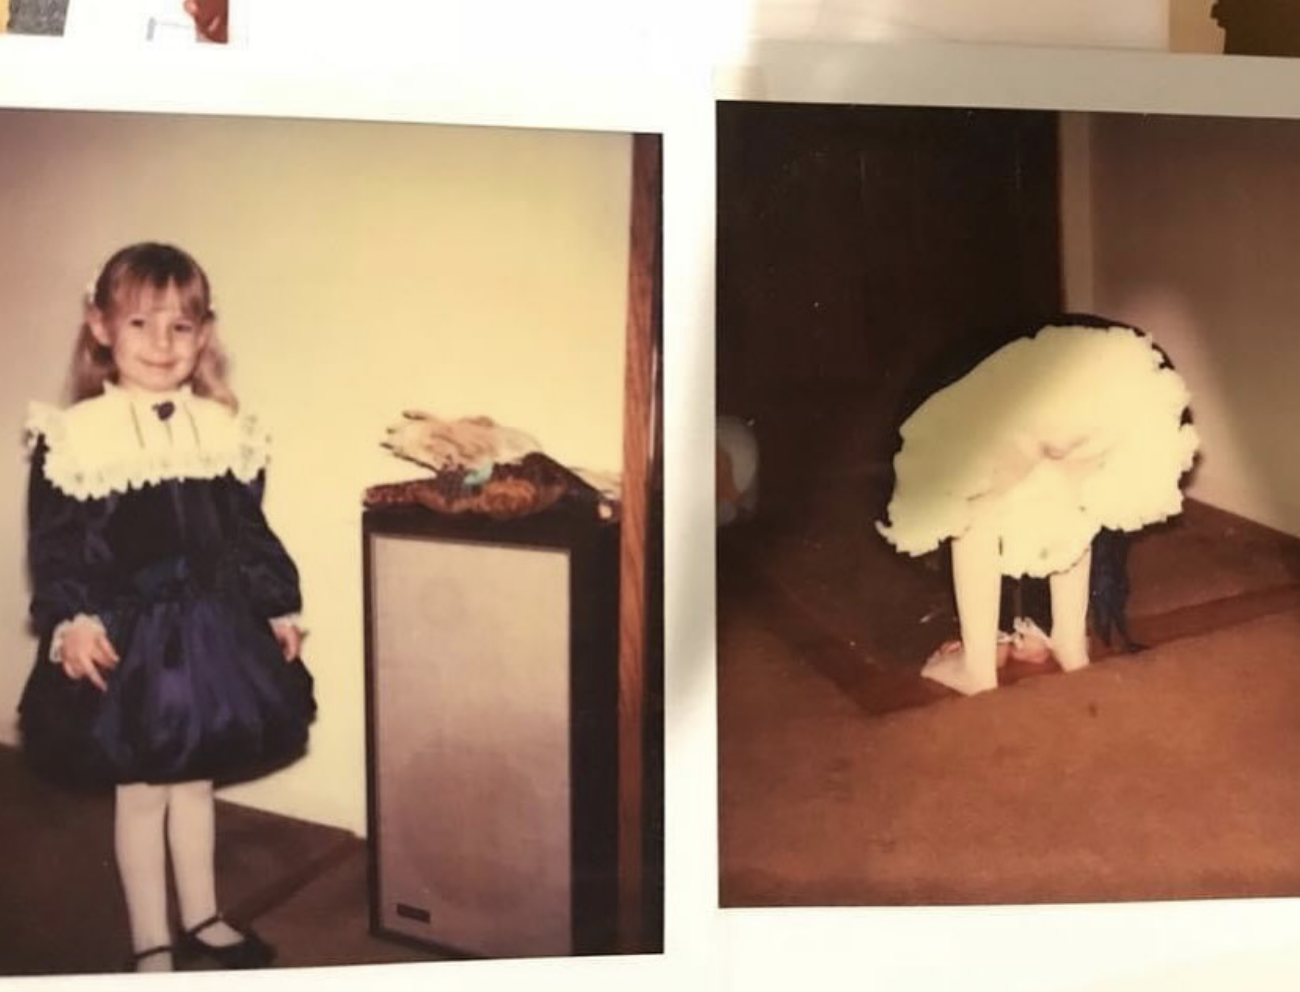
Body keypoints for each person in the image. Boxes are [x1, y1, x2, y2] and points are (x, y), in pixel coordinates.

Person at [19, 243, 315, 971]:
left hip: (212, 633)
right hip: (132, 641)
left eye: (180, 326)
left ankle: (203, 914)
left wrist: (276, 604)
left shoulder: (223, 430)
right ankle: (152, 939)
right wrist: (73, 619)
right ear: (100, 326)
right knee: (144, 791)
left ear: (203, 334)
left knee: (195, 783)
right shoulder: (74, 437)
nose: (161, 343)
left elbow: (246, 532)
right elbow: (58, 544)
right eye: (140, 323)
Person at [877, 318, 1199, 695]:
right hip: (1131, 372)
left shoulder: (953, 413)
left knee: (975, 514)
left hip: (1074, 380)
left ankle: (978, 671)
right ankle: (1069, 645)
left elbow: (970, 522)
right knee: (1074, 500)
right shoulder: (983, 392)